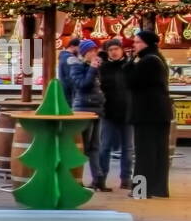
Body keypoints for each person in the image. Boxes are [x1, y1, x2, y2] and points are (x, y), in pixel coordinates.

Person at [126, 28, 173, 198]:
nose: (134, 45)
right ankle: (158, 188)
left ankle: (141, 190)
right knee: (159, 151)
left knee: (144, 152)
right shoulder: (157, 58)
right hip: (159, 113)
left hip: (147, 113)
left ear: (146, 44)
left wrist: (130, 62)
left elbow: (130, 81)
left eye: (138, 42)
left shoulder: (147, 61)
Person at [63, 38, 106, 189]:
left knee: (95, 145)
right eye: (91, 51)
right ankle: (75, 179)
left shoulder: (94, 66)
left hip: (97, 109)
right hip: (83, 109)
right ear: (85, 53)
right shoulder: (77, 66)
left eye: (95, 50)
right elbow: (82, 85)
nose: (95, 53)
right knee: (82, 146)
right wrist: (93, 69)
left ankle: (98, 178)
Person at [97, 39, 133, 191]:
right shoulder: (103, 68)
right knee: (105, 147)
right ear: (107, 52)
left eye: (116, 48)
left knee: (128, 148)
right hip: (108, 112)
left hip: (128, 112)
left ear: (122, 49)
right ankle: (101, 178)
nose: (114, 51)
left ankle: (126, 179)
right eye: (110, 49)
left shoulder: (130, 66)